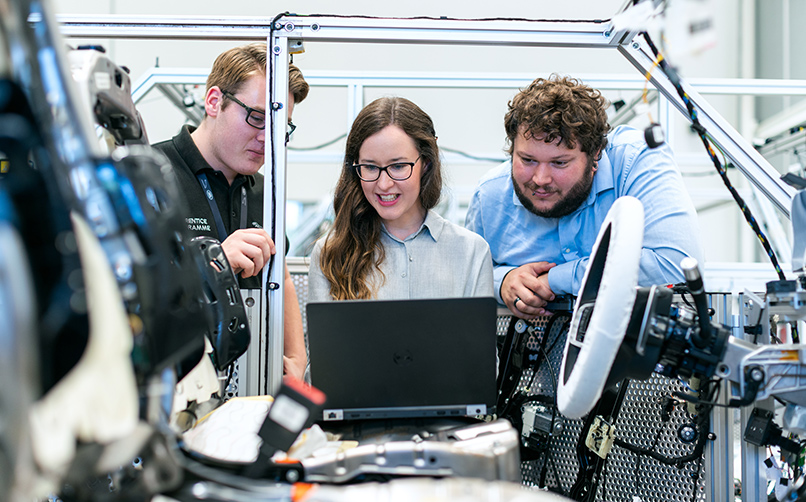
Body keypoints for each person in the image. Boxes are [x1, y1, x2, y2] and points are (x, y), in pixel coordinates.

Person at [466, 75, 704, 319]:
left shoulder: (636, 161)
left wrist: (554, 280)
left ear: (595, 155)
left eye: (559, 163)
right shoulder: (489, 196)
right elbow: (467, 276)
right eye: (528, 160)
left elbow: (675, 264)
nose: (540, 179)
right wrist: (503, 281)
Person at [153, 42, 308, 380]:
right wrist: (214, 263)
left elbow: (279, 275)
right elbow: (130, 290)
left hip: (250, 380)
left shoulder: (265, 191)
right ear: (214, 102)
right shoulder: (151, 175)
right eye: (256, 117)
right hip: (175, 378)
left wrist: (296, 358)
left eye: (281, 127)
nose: (266, 138)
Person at [308, 96, 493, 302]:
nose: (384, 184)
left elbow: (476, 335)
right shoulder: (330, 254)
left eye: (398, 166)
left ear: (426, 163)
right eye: (370, 167)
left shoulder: (471, 252)